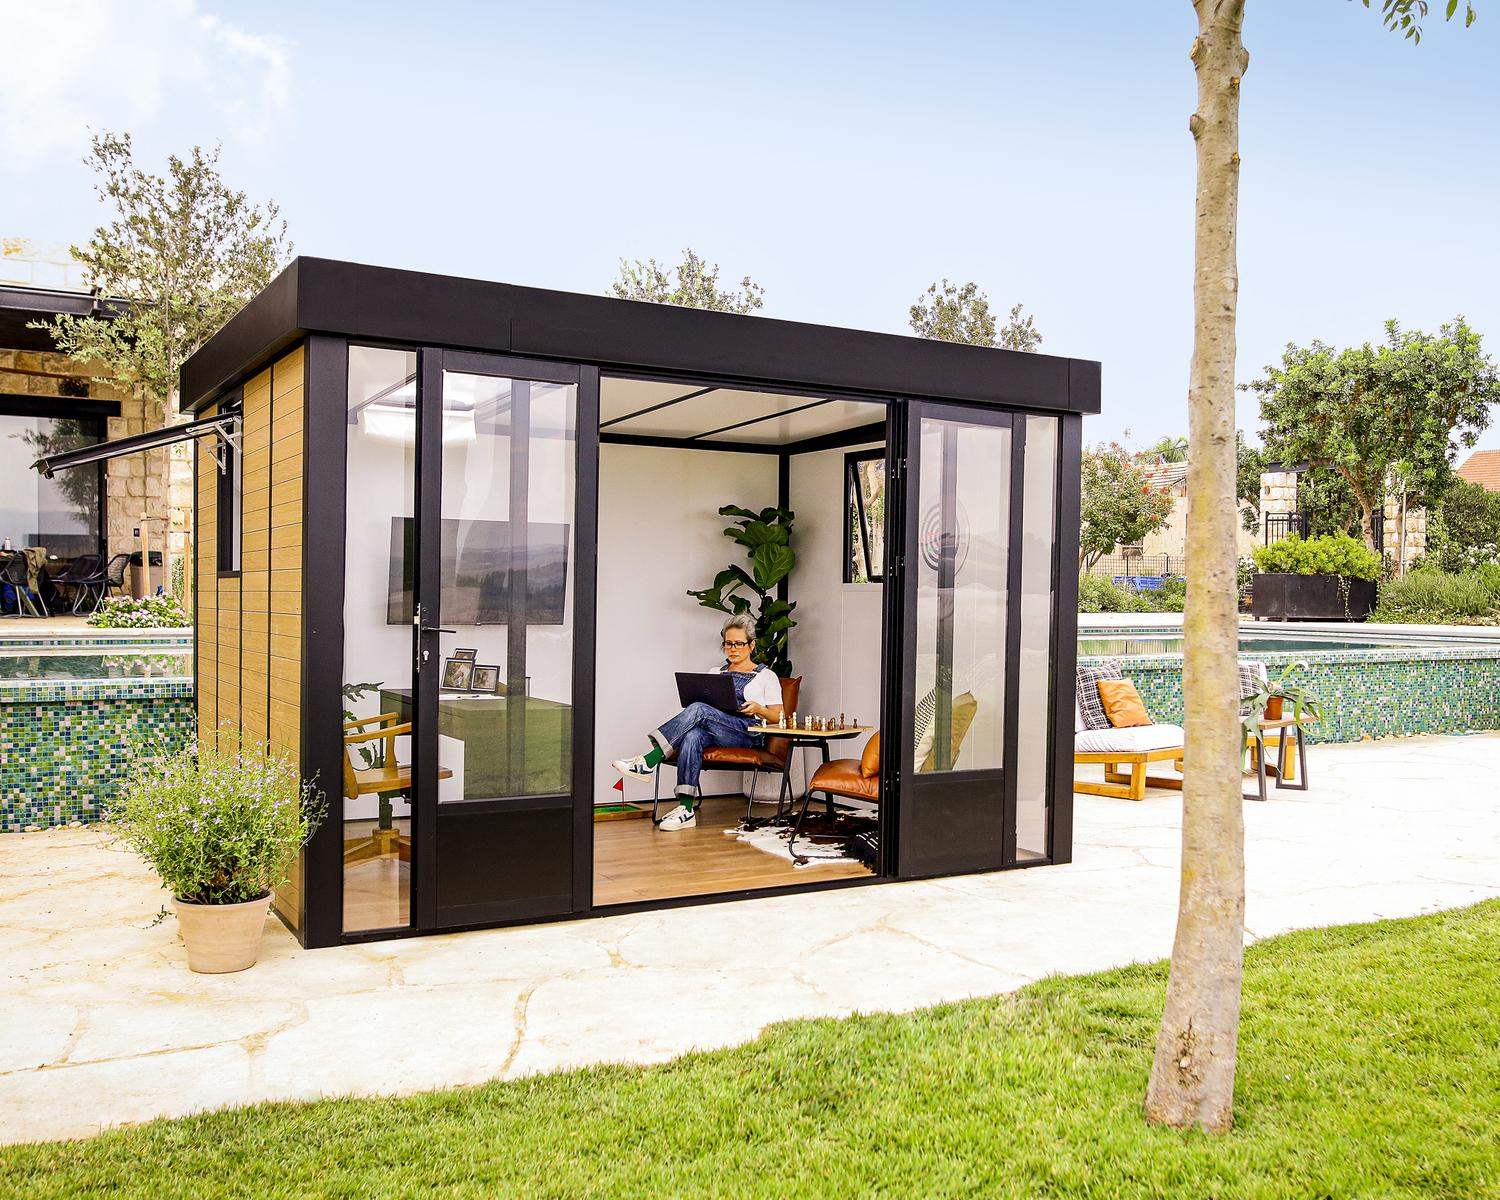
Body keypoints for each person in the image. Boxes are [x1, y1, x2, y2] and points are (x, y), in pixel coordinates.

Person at [612, 613, 784, 830]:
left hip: (748, 733)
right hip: (716, 727)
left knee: (699, 709)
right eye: (728, 643)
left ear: (752, 645)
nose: (732, 649)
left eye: (739, 644)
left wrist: (759, 709)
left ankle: (649, 760)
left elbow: (780, 716)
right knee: (693, 735)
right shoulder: (715, 672)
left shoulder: (766, 676)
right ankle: (686, 809)